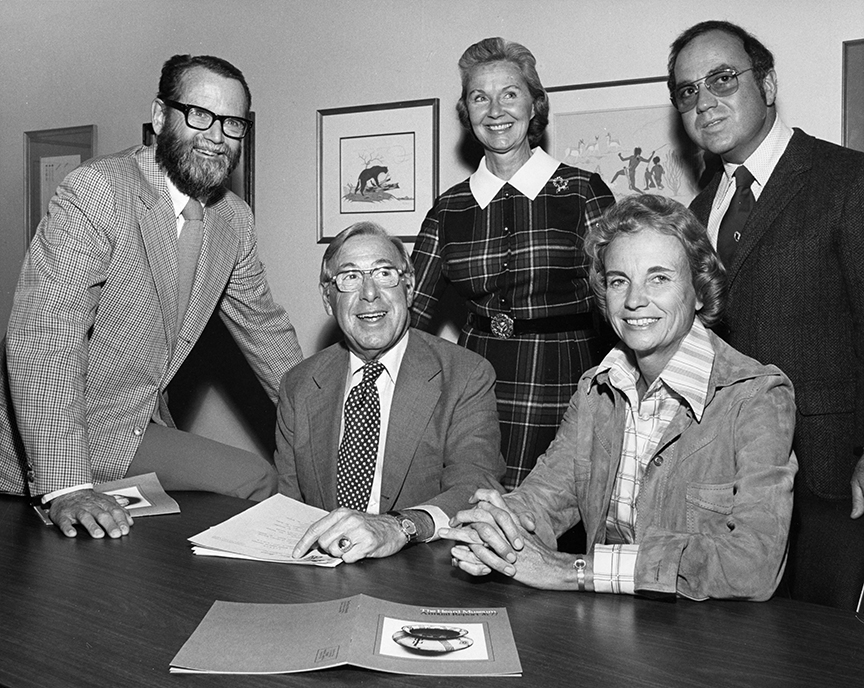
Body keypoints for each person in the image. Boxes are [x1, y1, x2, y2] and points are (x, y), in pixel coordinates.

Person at [0, 54, 303, 540]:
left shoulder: (234, 220)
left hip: (140, 420)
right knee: (253, 481)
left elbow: (267, 332)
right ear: (161, 117)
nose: (216, 136)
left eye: (232, 124)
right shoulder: (99, 191)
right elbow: (45, 338)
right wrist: (65, 486)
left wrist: (326, 417)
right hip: (69, 427)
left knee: (247, 489)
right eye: (199, 115)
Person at [443, 195, 797, 601]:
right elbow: (546, 496)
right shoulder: (596, 388)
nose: (634, 300)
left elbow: (754, 566)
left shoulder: (757, 397)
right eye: (618, 281)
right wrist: (497, 531)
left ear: (700, 292)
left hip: (709, 640)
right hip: (606, 629)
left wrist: (572, 571)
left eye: (659, 278)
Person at [668, 20, 864, 609]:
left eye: (722, 79)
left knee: (823, 656)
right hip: (722, 484)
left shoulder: (848, 182)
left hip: (826, 473)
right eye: (686, 90)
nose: (704, 101)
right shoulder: (696, 212)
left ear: (769, 83)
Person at [410, 37, 615, 491]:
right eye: (479, 97)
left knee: (547, 514)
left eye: (510, 93)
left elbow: (618, 299)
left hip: (563, 376)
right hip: (475, 378)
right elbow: (410, 312)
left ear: (534, 104)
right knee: (473, 504)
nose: (495, 110)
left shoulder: (583, 191)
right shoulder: (450, 208)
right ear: (467, 113)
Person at [277, 222, 505, 563]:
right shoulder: (298, 385)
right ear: (328, 299)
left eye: (384, 273)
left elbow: (475, 489)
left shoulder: (465, 374)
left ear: (409, 289)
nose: (369, 293)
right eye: (350, 277)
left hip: (422, 570)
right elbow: (289, 509)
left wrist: (400, 527)